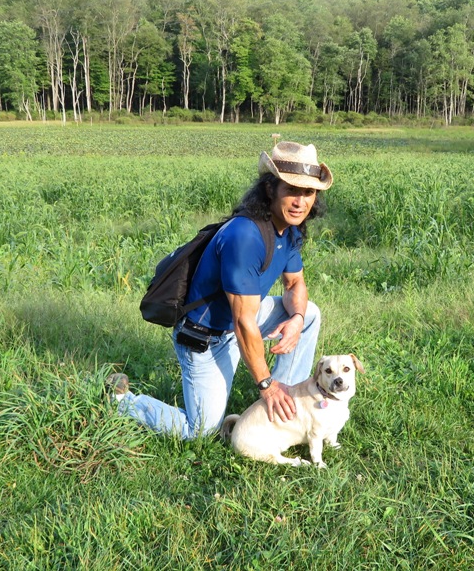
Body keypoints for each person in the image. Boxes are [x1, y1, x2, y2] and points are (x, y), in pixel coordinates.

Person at [107, 141, 333, 439]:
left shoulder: (289, 231)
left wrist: (297, 320)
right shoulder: (245, 236)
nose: (300, 201)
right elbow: (243, 323)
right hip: (207, 336)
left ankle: (281, 411)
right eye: (291, 189)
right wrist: (265, 384)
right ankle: (122, 401)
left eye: (308, 192)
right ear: (270, 189)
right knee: (200, 429)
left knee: (310, 313)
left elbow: (295, 284)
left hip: (241, 321)